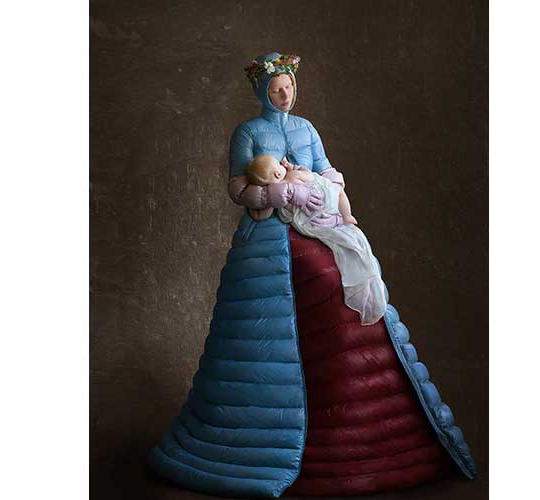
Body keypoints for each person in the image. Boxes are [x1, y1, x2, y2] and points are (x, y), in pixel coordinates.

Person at [148, 52, 476, 498]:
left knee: (349, 279)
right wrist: (275, 193)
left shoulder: (306, 128)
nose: (284, 96)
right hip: (271, 234)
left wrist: (330, 196)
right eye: (276, 90)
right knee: (309, 288)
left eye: (289, 88)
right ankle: (283, 431)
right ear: (262, 92)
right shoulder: (248, 132)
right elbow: (237, 186)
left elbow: (326, 169)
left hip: (320, 220)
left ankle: (353, 424)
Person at [246, 153, 385, 325]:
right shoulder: (289, 179)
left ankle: (343, 216)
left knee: (335, 204)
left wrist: (287, 176)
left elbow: (264, 214)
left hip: (318, 209)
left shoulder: (280, 191)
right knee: (338, 193)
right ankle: (346, 215)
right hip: (323, 204)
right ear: (277, 173)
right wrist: (293, 171)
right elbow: (308, 176)